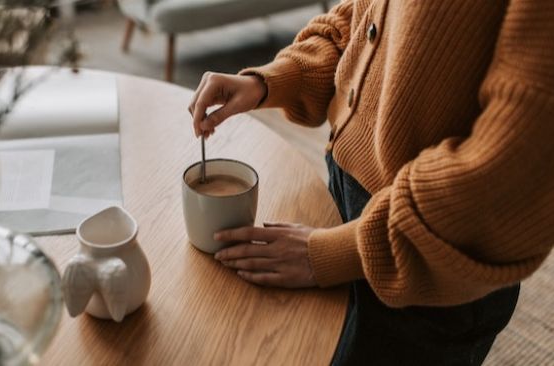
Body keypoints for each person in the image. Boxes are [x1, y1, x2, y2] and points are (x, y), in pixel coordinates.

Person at [187, 0, 554, 365]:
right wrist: (273, 79)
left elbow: (514, 169)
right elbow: (365, 17)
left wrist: (340, 253)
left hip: (430, 259)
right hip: (345, 201)